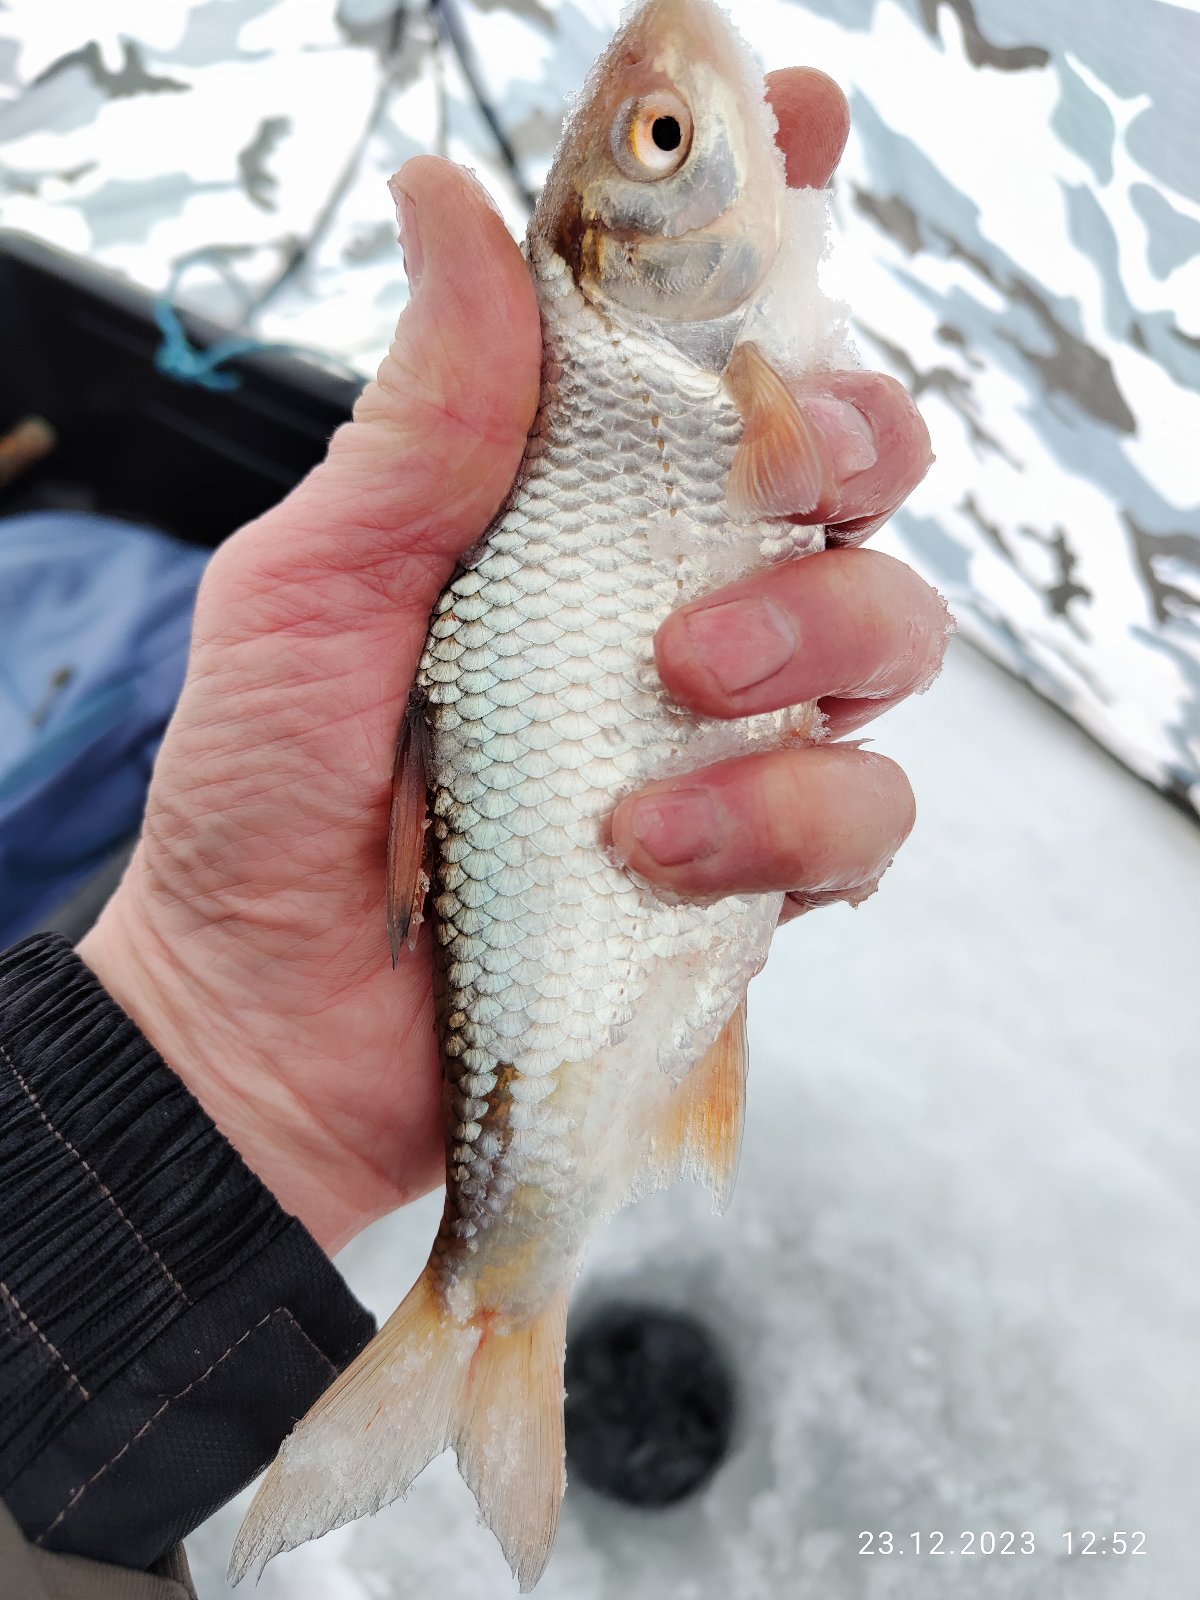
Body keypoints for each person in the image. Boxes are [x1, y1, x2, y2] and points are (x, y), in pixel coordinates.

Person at [0, 69, 942, 1598]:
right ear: (604, 246)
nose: (701, 153)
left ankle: (494, 1293)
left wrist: (206, 1055)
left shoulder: (709, 368)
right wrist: (215, 1038)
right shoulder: (673, 373)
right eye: (665, 143)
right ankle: (495, 1301)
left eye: (671, 141)